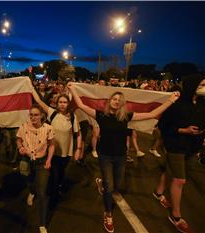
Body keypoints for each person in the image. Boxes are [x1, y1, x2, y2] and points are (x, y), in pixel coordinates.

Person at [68, 82, 180, 233]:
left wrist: (170, 100)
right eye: (114, 99)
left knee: (116, 185)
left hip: (121, 156)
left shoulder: (127, 116)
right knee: (109, 185)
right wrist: (72, 89)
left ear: (122, 104)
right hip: (105, 155)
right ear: (109, 101)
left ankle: (103, 184)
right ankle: (108, 213)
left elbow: (152, 114)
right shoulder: (100, 114)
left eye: (119, 100)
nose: (116, 101)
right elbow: (80, 104)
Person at [154, 75, 205, 233]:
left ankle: (158, 192)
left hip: (193, 146)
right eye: (202, 84)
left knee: (172, 170)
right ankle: (176, 215)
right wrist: (184, 130)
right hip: (176, 144)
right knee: (180, 179)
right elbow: (162, 125)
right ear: (192, 85)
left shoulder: (203, 104)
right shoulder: (177, 104)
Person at [32, 90, 82, 206]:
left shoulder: (73, 117)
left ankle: (57, 187)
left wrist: (78, 149)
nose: (62, 104)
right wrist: (30, 87)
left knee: (60, 173)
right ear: (57, 103)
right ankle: (52, 199)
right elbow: (39, 101)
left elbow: (78, 134)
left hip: (66, 153)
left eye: (65, 102)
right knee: (53, 174)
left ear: (68, 104)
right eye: (60, 102)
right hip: (52, 152)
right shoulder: (52, 113)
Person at [16, 105, 55, 233]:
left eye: (36, 115)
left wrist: (49, 160)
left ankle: (42, 223)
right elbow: (18, 139)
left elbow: (52, 145)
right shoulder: (24, 127)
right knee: (30, 182)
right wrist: (20, 147)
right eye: (31, 114)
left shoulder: (48, 128)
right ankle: (32, 192)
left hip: (42, 163)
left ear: (42, 116)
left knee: (42, 193)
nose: (33, 117)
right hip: (27, 161)